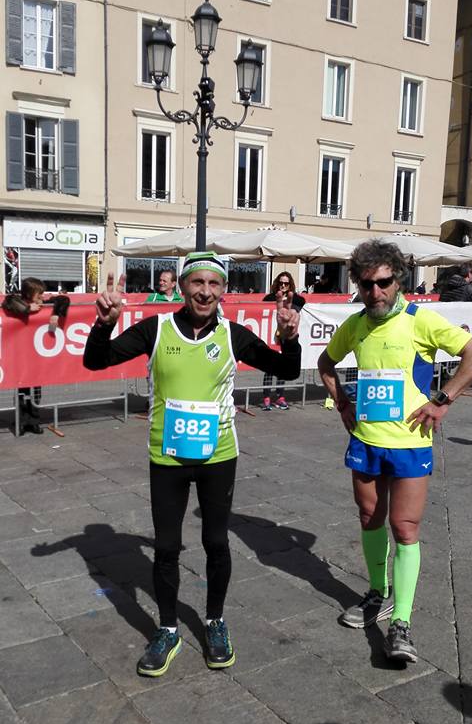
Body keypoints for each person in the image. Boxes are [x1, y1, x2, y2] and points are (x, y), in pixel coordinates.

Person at [83, 251, 301, 677]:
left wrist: (289, 338)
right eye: (197, 283)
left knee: (216, 542)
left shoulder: (233, 335)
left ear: (223, 290)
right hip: (167, 458)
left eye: (213, 284)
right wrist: (104, 324)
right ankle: (168, 630)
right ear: (182, 287)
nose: (205, 291)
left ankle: (215, 622)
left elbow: (287, 371)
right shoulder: (156, 328)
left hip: (218, 456)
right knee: (166, 547)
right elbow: (96, 360)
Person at [317, 240, 472, 663]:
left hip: (411, 443)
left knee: (405, 528)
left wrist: (443, 400)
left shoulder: (420, 320)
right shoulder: (356, 324)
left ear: (398, 280)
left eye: (383, 283)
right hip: (366, 440)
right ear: (358, 285)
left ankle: (402, 623)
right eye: (366, 285)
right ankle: (378, 593)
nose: (375, 292)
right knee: (369, 519)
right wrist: (342, 401)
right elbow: (325, 362)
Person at [2, 278, 68, 434]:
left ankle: (34, 421)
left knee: (36, 391)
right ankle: (21, 422)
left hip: (36, 355)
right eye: (39, 294)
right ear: (28, 294)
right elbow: (8, 302)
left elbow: (63, 299)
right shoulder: (16, 302)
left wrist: (56, 314)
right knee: (22, 391)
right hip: (20, 355)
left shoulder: (43, 303)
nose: (42, 297)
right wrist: (26, 309)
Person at [262, 272, 305, 410]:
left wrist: (291, 304)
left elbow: (303, 302)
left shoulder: (295, 299)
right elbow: (262, 308)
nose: (283, 285)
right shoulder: (270, 298)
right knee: (269, 367)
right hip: (271, 335)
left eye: (286, 283)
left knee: (282, 367)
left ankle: (280, 396)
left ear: (290, 284)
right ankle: (266, 396)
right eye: (281, 282)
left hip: (285, 337)